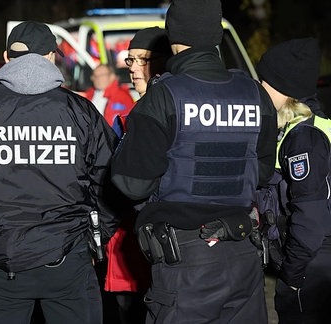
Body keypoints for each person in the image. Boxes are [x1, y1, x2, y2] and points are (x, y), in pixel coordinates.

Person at [0, 21, 120, 324]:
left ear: (7, 58)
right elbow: (113, 181)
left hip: (0, 263)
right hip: (69, 260)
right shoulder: (81, 111)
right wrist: (92, 238)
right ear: (51, 57)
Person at [110, 0, 279, 323]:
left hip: (186, 260)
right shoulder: (255, 94)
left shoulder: (163, 96)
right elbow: (261, 172)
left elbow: (132, 184)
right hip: (244, 254)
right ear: (216, 34)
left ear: (172, 36)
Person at [256, 37, 331, 324]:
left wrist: (292, 275)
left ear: (284, 90)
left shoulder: (303, 139)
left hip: (313, 271)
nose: (260, 87)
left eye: (264, 81)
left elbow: (310, 221)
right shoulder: (299, 130)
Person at [101, 26, 173, 324]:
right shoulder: (131, 114)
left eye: (141, 60)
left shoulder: (161, 114)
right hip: (129, 247)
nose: (132, 69)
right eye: (130, 61)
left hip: (157, 247)